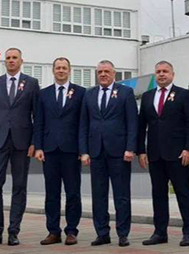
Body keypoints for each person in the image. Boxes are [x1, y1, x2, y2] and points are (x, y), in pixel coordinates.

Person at [0, 47, 40, 247]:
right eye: (8, 58)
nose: (11, 60)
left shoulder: (31, 83)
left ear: (21, 61)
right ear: (4, 61)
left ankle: (14, 231)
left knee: (19, 186)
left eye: (15, 58)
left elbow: (37, 116)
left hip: (22, 142)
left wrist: (35, 142)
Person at [137, 61, 189, 247]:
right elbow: (141, 126)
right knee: (158, 195)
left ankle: (188, 232)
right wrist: (141, 150)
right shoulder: (147, 96)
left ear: (172, 74)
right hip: (155, 155)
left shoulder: (183, 95)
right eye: (158, 71)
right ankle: (160, 232)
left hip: (178, 154)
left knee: (183, 193)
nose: (161, 74)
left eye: (165, 71)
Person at [79, 60, 137, 247]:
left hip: (119, 152)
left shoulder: (125, 92)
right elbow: (83, 124)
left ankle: (123, 233)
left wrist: (130, 148)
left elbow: (132, 122)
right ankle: (102, 233)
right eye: (100, 72)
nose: (103, 74)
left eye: (106, 71)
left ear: (114, 73)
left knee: (121, 195)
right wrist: (84, 151)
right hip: (96, 152)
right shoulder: (89, 94)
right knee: (99, 195)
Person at [33, 57, 86, 246]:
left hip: (72, 151)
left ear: (69, 70)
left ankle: (71, 230)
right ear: (53, 70)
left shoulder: (80, 92)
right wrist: (38, 147)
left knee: (73, 193)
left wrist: (83, 149)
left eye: (64, 68)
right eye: (58, 68)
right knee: (52, 193)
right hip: (49, 150)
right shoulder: (44, 94)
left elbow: (83, 123)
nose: (61, 70)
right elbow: (38, 122)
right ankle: (53, 231)